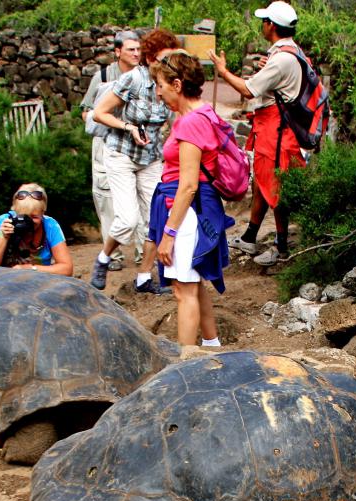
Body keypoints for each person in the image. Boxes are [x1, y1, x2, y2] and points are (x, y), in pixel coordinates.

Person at [209, 1, 308, 266]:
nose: (262, 24)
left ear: (271, 26)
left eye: (264, 21)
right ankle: (251, 236)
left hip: (276, 130)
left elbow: (247, 90)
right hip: (273, 127)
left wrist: (222, 71)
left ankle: (281, 246)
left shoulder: (283, 59)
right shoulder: (288, 53)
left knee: (275, 184)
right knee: (263, 181)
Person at [87, 28, 181, 295]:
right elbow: (99, 113)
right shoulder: (134, 80)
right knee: (127, 221)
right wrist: (128, 126)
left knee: (157, 219)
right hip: (121, 154)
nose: (167, 63)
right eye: (163, 58)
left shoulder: (171, 82)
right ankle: (104, 258)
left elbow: (176, 119)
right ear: (150, 57)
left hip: (150, 157)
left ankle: (144, 277)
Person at [148, 51, 233, 347]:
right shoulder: (202, 112)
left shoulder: (190, 123)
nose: (158, 92)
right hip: (193, 210)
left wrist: (169, 234)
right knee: (194, 285)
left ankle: (184, 361)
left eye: (160, 85)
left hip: (186, 213)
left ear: (176, 84)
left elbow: (187, 186)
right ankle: (211, 348)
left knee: (183, 292)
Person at [80, 30, 141, 271]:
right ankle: (112, 257)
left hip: (136, 144)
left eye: (138, 49)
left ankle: (142, 254)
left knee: (141, 196)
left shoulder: (146, 76)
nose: (136, 53)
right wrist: (102, 123)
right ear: (117, 52)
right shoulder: (102, 76)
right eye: (131, 49)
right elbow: (86, 110)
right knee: (106, 199)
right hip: (106, 144)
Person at [0, 183, 73, 276]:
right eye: (24, 216)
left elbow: (67, 269)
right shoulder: (6, 221)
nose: (29, 221)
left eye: (34, 217)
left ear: (43, 212)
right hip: (5, 279)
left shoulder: (50, 225)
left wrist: (30, 268)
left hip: (39, 280)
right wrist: (4, 237)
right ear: (15, 212)